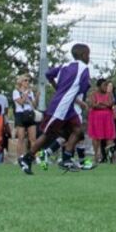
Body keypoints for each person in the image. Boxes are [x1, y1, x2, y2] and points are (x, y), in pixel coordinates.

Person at [19, 43, 93, 174]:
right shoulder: (84, 69)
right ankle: (27, 158)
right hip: (60, 108)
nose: (89, 57)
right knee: (48, 135)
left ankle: (66, 159)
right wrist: (85, 87)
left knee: (79, 132)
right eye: (88, 54)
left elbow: (49, 74)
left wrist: (58, 87)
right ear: (83, 55)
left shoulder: (65, 65)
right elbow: (83, 88)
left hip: (68, 108)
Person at [87, 77, 116, 164]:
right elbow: (93, 105)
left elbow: (111, 104)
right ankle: (96, 156)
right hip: (96, 118)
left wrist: (101, 103)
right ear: (99, 86)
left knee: (109, 136)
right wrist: (105, 105)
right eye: (104, 85)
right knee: (96, 137)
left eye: (107, 85)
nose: (106, 87)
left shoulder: (109, 94)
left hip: (108, 118)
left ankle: (111, 157)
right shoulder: (93, 94)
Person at [11, 75, 37, 159]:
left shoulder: (31, 92)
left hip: (29, 114)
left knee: (33, 138)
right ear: (21, 82)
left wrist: (36, 97)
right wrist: (25, 94)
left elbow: (34, 105)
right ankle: (20, 157)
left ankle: (35, 157)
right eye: (25, 80)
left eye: (28, 81)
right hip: (20, 114)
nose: (27, 82)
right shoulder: (16, 92)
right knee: (21, 138)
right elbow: (21, 102)